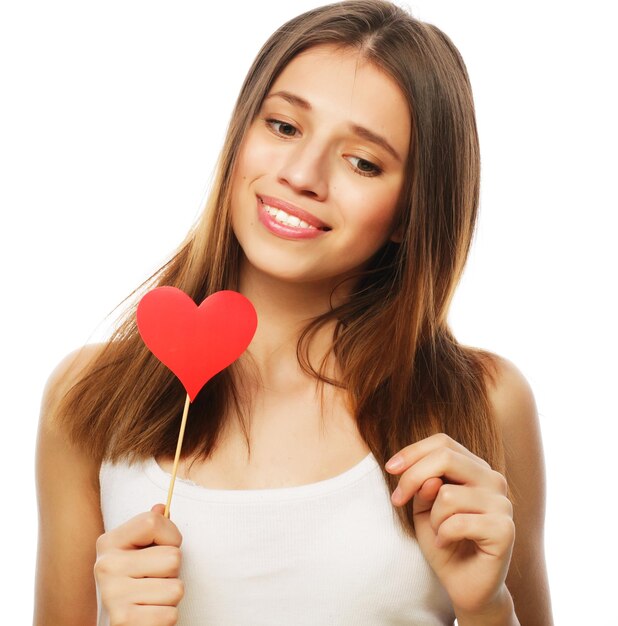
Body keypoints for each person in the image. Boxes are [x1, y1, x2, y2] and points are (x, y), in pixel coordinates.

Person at [34, 1, 553, 624]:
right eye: (283, 127)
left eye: (363, 161)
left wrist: (488, 606)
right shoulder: (89, 397)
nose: (302, 174)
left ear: (412, 212)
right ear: (240, 135)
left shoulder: (485, 402)